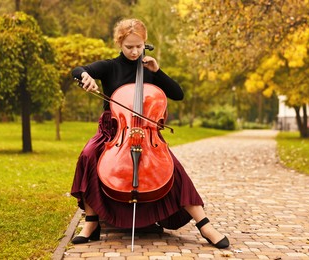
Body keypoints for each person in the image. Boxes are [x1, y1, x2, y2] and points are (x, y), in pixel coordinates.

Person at [70, 18, 229, 249]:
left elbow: (178, 94)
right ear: (120, 44)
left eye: (139, 46)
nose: (135, 52)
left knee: (173, 169)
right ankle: (91, 222)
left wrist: (158, 71)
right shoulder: (110, 66)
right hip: (114, 130)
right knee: (88, 155)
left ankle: (204, 224)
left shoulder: (149, 67)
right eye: (129, 47)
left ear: (145, 43)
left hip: (147, 134)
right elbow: (79, 70)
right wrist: (85, 76)